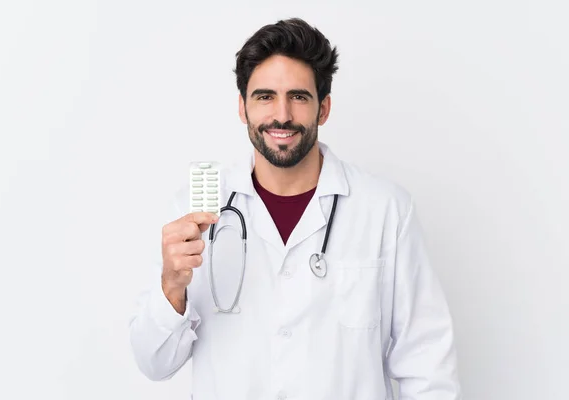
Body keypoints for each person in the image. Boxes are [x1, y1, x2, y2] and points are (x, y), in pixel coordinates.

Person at [129, 17, 462, 399]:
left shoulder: (386, 211)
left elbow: (428, 366)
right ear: (243, 107)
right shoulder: (192, 213)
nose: (282, 114)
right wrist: (172, 286)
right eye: (265, 96)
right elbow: (154, 364)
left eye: (299, 97)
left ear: (323, 108)